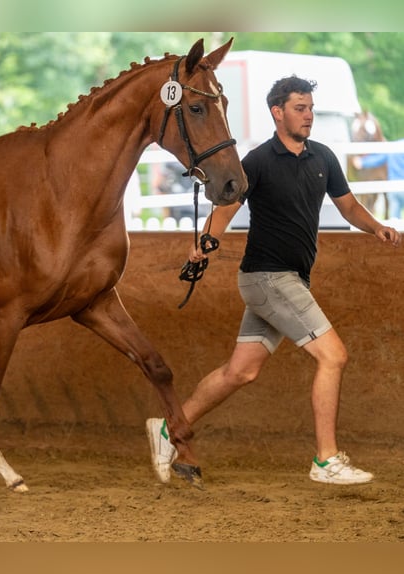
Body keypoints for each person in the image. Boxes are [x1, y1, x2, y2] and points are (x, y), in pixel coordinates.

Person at [147, 75, 401, 486]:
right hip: (268, 278)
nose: (309, 116)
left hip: (287, 280)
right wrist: (204, 243)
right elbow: (226, 210)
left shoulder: (323, 158)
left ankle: (168, 427)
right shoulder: (259, 161)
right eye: (300, 109)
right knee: (333, 356)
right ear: (277, 112)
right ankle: (326, 460)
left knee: (241, 372)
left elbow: (349, 205)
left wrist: (376, 228)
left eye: (311, 108)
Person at [352, 143, 404, 220]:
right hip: (398, 188)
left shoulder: (394, 146)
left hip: (393, 189)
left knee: (395, 219)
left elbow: (378, 159)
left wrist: (362, 162)